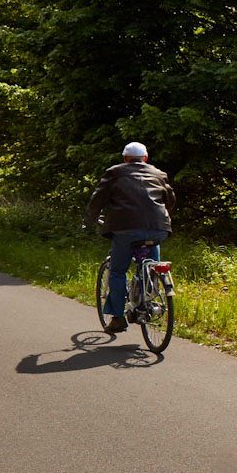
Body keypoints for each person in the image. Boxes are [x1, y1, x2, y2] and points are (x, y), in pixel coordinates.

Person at [85, 142, 177, 334]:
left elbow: (98, 199)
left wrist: (89, 220)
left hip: (125, 229)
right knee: (152, 263)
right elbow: (170, 200)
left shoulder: (115, 172)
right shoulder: (159, 174)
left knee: (118, 272)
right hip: (158, 228)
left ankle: (118, 318)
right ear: (146, 158)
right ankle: (150, 294)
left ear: (125, 158)